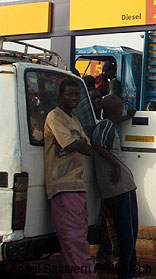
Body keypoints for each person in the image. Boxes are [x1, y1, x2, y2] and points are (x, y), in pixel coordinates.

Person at [43, 78, 97, 279]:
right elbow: (72, 145)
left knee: (73, 241)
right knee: (74, 242)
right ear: (60, 96)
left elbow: (87, 148)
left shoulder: (74, 120)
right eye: (70, 94)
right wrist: (79, 142)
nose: (74, 98)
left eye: (77, 94)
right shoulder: (54, 117)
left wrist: (79, 143)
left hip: (77, 186)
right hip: (63, 187)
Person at [91, 95, 139, 279]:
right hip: (121, 187)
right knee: (128, 231)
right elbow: (99, 145)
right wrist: (117, 165)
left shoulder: (106, 124)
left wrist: (128, 116)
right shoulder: (106, 126)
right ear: (115, 110)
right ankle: (127, 271)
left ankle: (126, 269)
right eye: (121, 108)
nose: (122, 111)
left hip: (115, 188)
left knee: (121, 231)